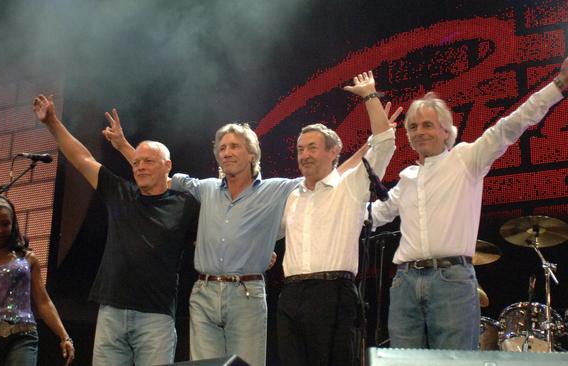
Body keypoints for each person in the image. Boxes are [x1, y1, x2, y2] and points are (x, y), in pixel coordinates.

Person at [102, 72, 384, 365]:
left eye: (234, 146)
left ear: (252, 154)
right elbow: (156, 174)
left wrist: (367, 149)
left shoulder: (279, 189)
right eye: (222, 148)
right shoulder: (205, 188)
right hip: (203, 294)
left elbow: (330, 176)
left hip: (247, 294)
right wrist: (124, 145)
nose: (227, 152)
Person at [369, 50, 568, 350]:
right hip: (405, 283)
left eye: (427, 124)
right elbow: (371, 216)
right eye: (413, 127)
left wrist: (559, 82)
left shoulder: (466, 159)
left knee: (456, 361)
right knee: (403, 361)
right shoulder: (407, 179)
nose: (419, 132)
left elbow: (512, 124)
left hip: (451, 280)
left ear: (445, 131)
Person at [32, 95, 199, 366]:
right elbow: (82, 158)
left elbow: (208, 239)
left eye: (148, 162)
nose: (140, 166)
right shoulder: (120, 192)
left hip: (156, 316)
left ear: (167, 166)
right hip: (111, 311)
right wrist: (52, 122)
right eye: (136, 162)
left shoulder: (186, 205)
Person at [277, 71, 398, 366]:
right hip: (290, 295)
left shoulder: (350, 187)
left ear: (334, 152)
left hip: (333, 294)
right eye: (300, 149)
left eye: (312, 148)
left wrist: (369, 96)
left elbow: (383, 145)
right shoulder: (292, 196)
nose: (304, 155)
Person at [0, 196, 75, 366]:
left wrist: (64, 336)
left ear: (13, 225)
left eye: (5, 224)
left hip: (23, 337)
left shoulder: (28, 258)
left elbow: (43, 302)